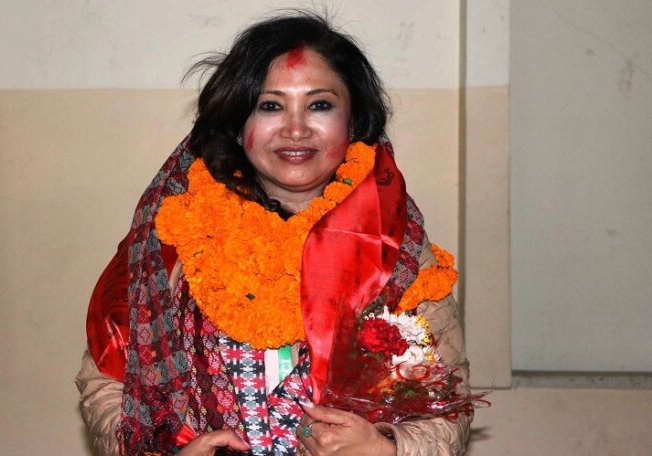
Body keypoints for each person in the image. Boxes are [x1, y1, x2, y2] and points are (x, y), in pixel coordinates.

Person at [76, 11, 472, 456]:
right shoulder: (177, 233)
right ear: (237, 123)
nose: (295, 129)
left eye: (319, 105)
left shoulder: (394, 248)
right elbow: (108, 381)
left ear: (354, 122)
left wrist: (388, 449)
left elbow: (447, 407)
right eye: (270, 106)